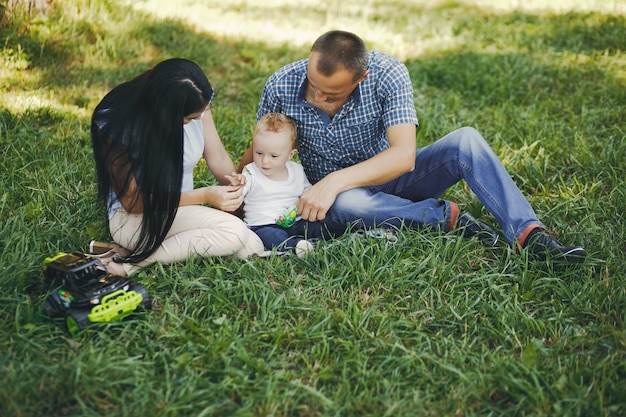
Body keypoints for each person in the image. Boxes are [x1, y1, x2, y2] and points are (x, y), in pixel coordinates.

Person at [241, 30, 586, 262]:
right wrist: (233, 189)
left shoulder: (388, 74)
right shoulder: (282, 84)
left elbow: (404, 157)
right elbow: (259, 148)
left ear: (360, 78)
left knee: (466, 139)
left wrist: (334, 180)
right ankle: (448, 218)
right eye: (313, 85)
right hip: (336, 201)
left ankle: (529, 233)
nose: (316, 97)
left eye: (329, 93)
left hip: (390, 177)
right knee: (351, 202)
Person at [90, 58, 264, 276]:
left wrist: (237, 193)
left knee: (252, 247)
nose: (200, 118)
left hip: (180, 211)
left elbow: (217, 157)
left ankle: (125, 252)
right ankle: (127, 265)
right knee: (233, 233)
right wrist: (206, 195)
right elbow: (134, 202)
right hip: (135, 219)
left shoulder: (196, 100)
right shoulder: (116, 124)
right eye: (190, 118)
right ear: (165, 112)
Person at [228, 113, 328, 258]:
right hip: (263, 225)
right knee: (272, 236)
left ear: (290, 154)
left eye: (274, 156)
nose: (265, 161)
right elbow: (239, 194)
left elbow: (307, 192)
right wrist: (238, 185)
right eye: (259, 153)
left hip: (295, 221)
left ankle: (311, 239)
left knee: (317, 226)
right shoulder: (251, 172)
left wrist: (300, 203)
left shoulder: (297, 170)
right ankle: (295, 247)